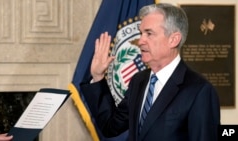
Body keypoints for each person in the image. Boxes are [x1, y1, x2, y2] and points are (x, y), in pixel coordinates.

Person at [81, 3, 220, 141]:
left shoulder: (200, 90)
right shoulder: (138, 81)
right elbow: (111, 126)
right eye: (141, 33)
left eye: (149, 33)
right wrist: (98, 76)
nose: (140, 41)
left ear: (173, 39)